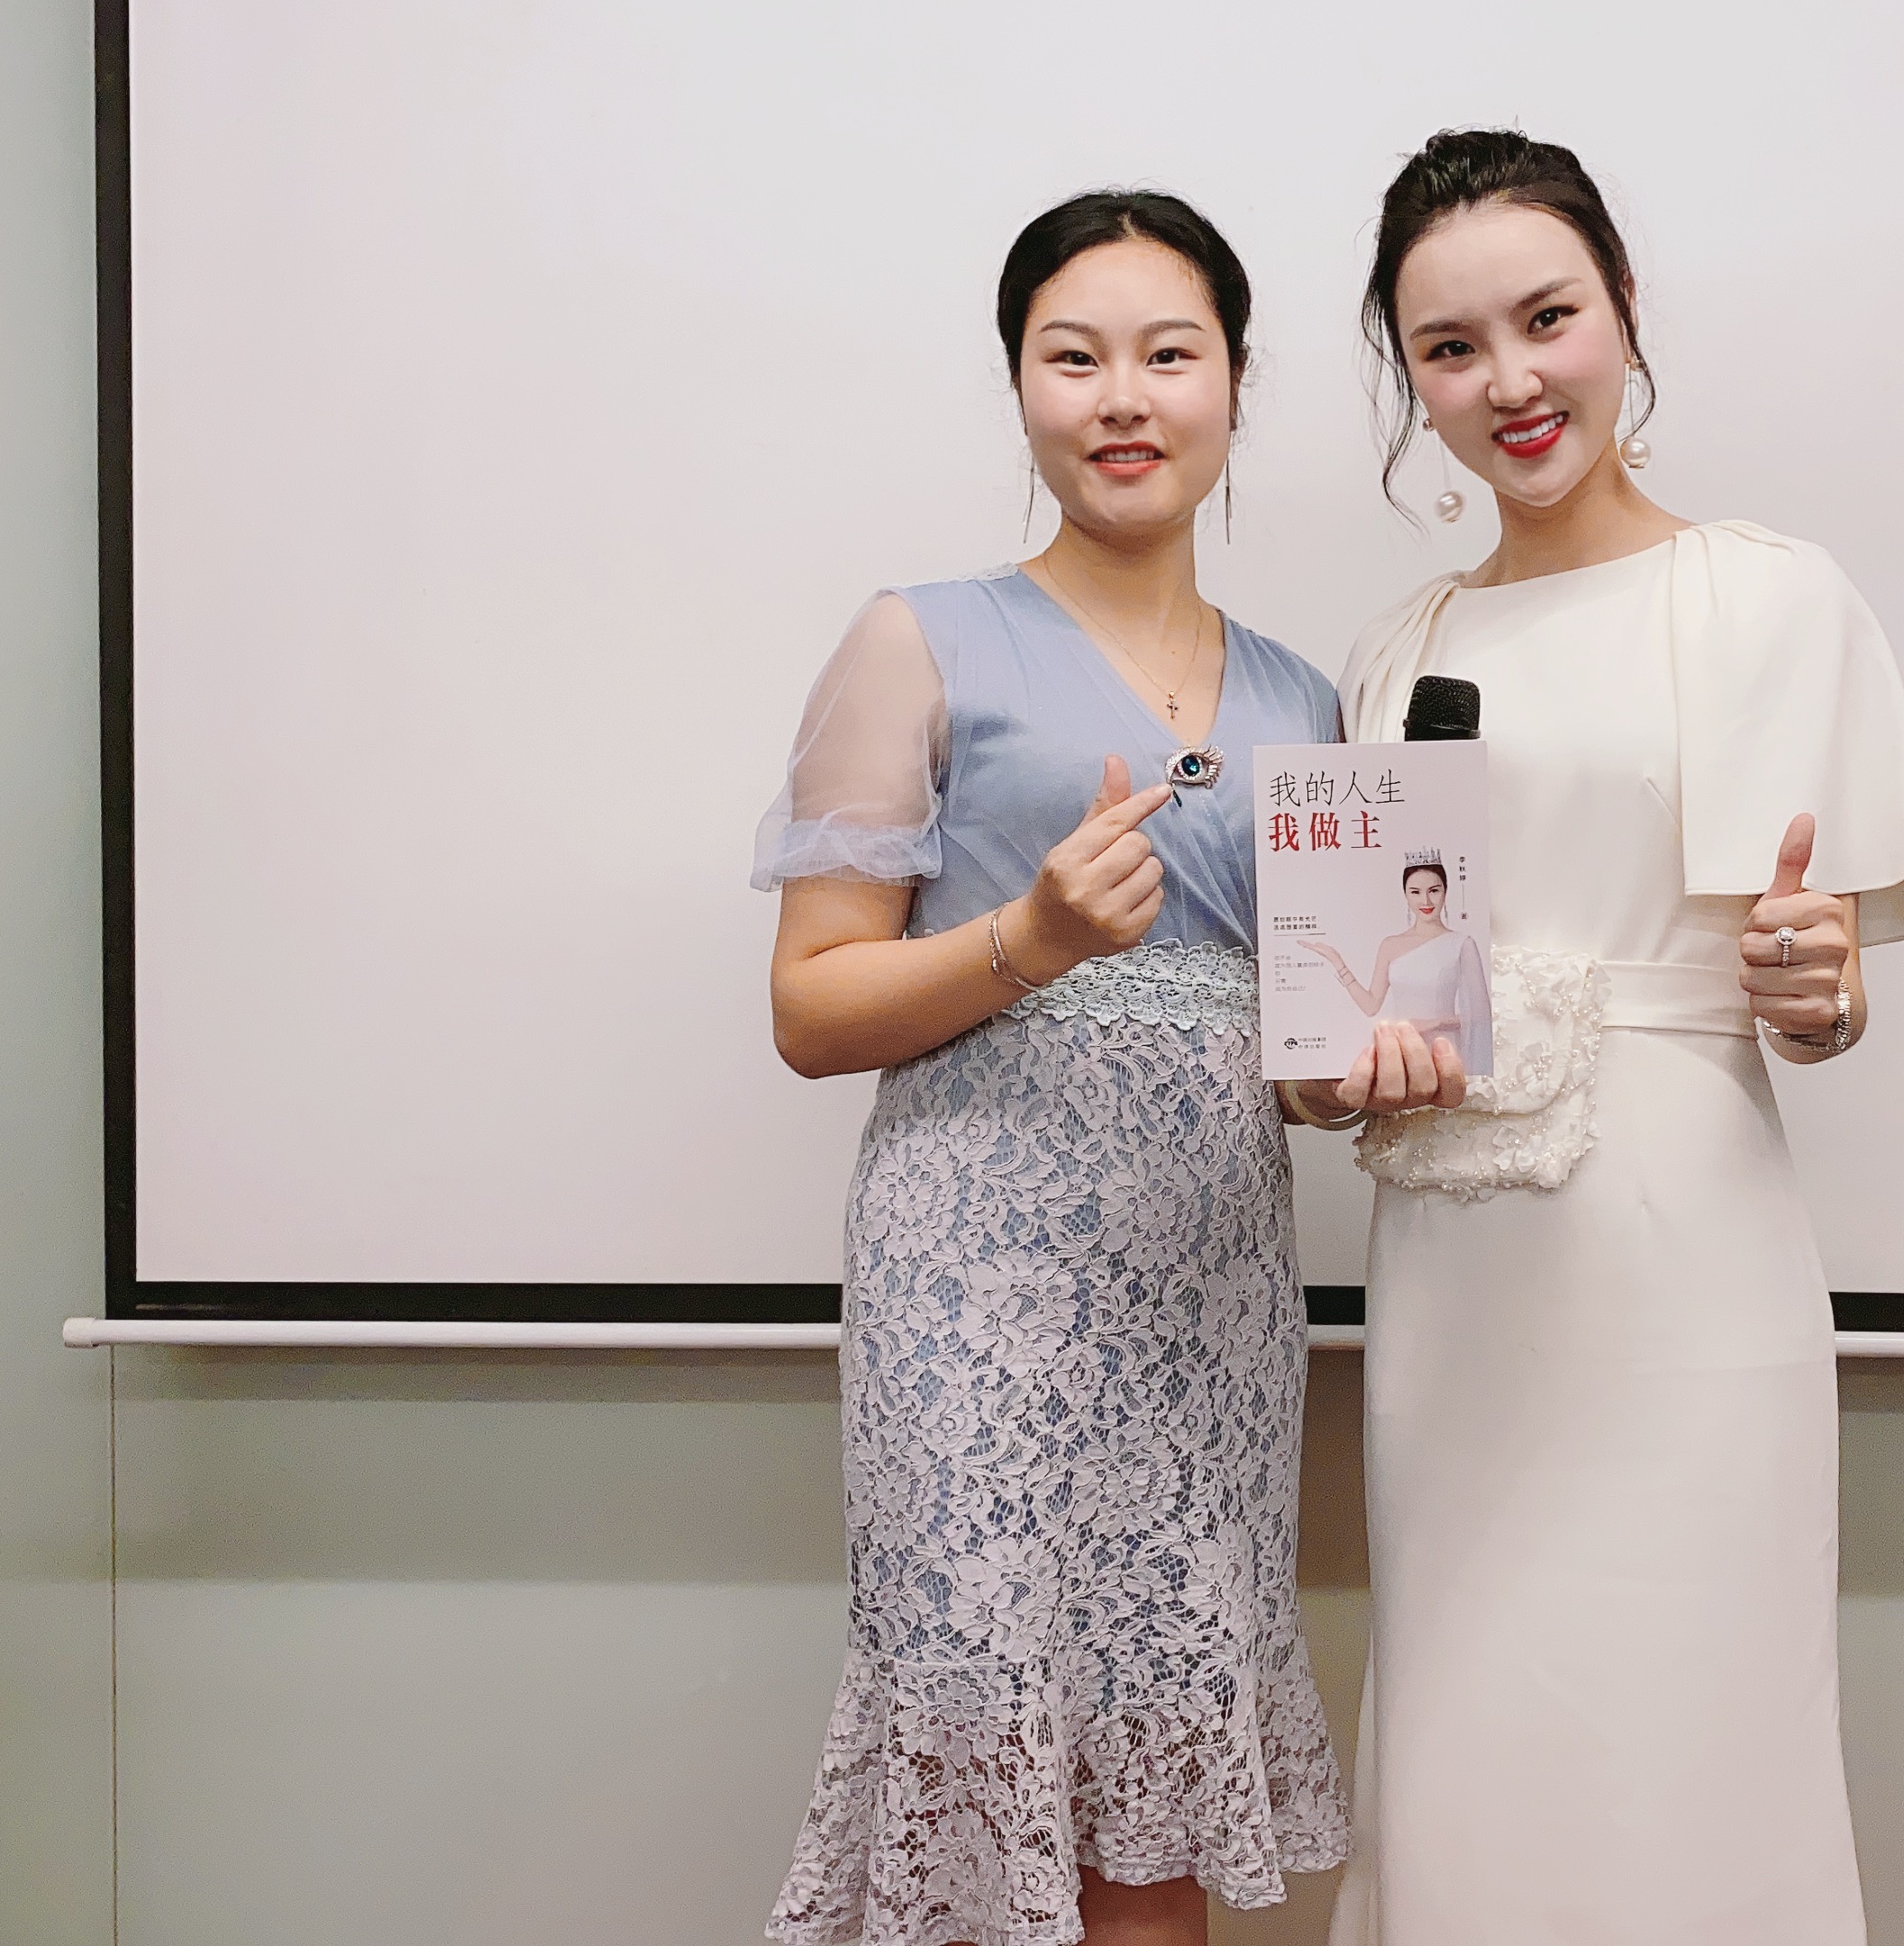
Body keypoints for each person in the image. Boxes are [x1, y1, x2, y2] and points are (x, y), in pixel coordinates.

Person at [1322, 131, 1904, 1945]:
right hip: (1459, 1288)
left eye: (1548, 319)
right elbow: (1354, 1001)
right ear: (1410, 379)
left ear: (1620, 308)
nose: (1511, 382)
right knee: (1467, 1753)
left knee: (1692, 1739)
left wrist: (1821, 988)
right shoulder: (1394, 653)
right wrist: (1331, 1065)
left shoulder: (1765, 596)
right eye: (1451, 349)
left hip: (1687, 1273)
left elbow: (1820, 986)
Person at [752, 189, 1352, 1946]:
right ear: (1019, 386)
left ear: (1235, 382)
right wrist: (1033, 936)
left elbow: (1304, 1059)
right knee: (980, 1733)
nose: (1123, 398)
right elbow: (810, 1008)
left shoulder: (1308, 702)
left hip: (1209, 1296)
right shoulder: (917, 637)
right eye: (1073, 357)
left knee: (1153, 1786)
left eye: (1170, 354)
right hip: (972, 1292)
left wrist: (1362, 1077)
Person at [1297, 855, 1493, 1074]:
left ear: (1445, 891)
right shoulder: (1390, 945)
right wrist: (1337, 961)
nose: (1426, 901)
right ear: (1406, 895)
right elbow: (1371, 1006)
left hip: (1442, 1047)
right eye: (1415, 892)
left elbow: (1481, 1016)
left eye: (1434, 891)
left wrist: (1433, 1024)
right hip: (1399, 1046)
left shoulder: (1462, 944)